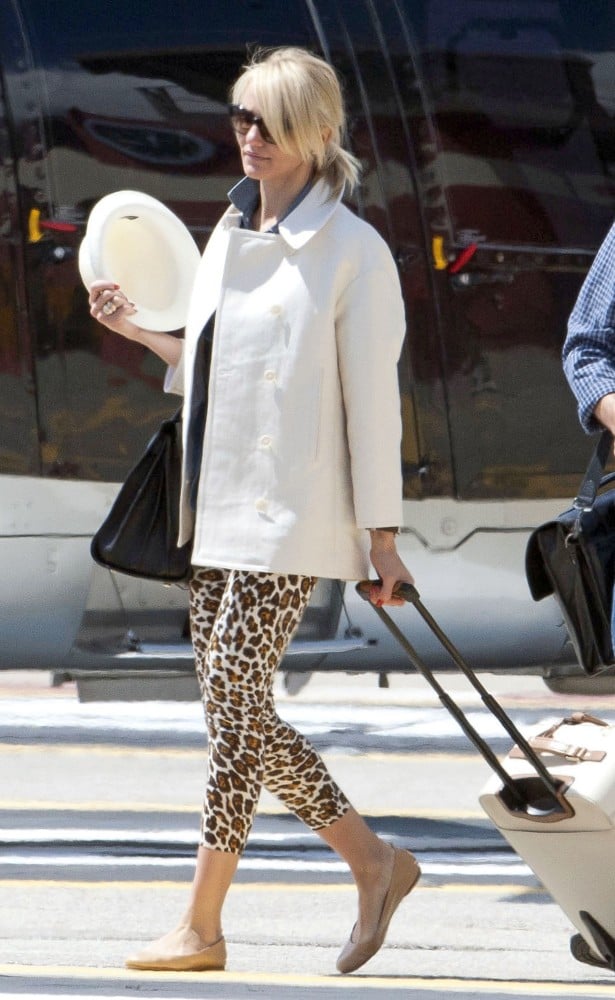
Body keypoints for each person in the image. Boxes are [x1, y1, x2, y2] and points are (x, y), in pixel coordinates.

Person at [89, 46, 419, 976]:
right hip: (217, 506)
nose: (249, 135)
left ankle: (371, 859)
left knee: (233, 698)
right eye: (240, 116)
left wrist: (380, 539)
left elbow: (372, 402)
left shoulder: (355, 251)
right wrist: (137, 331)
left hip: (294, 510)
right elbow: (209, 373)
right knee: (230, 717)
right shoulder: (226, 237)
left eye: (269, 122)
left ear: (317, 132)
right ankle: (203, 927)